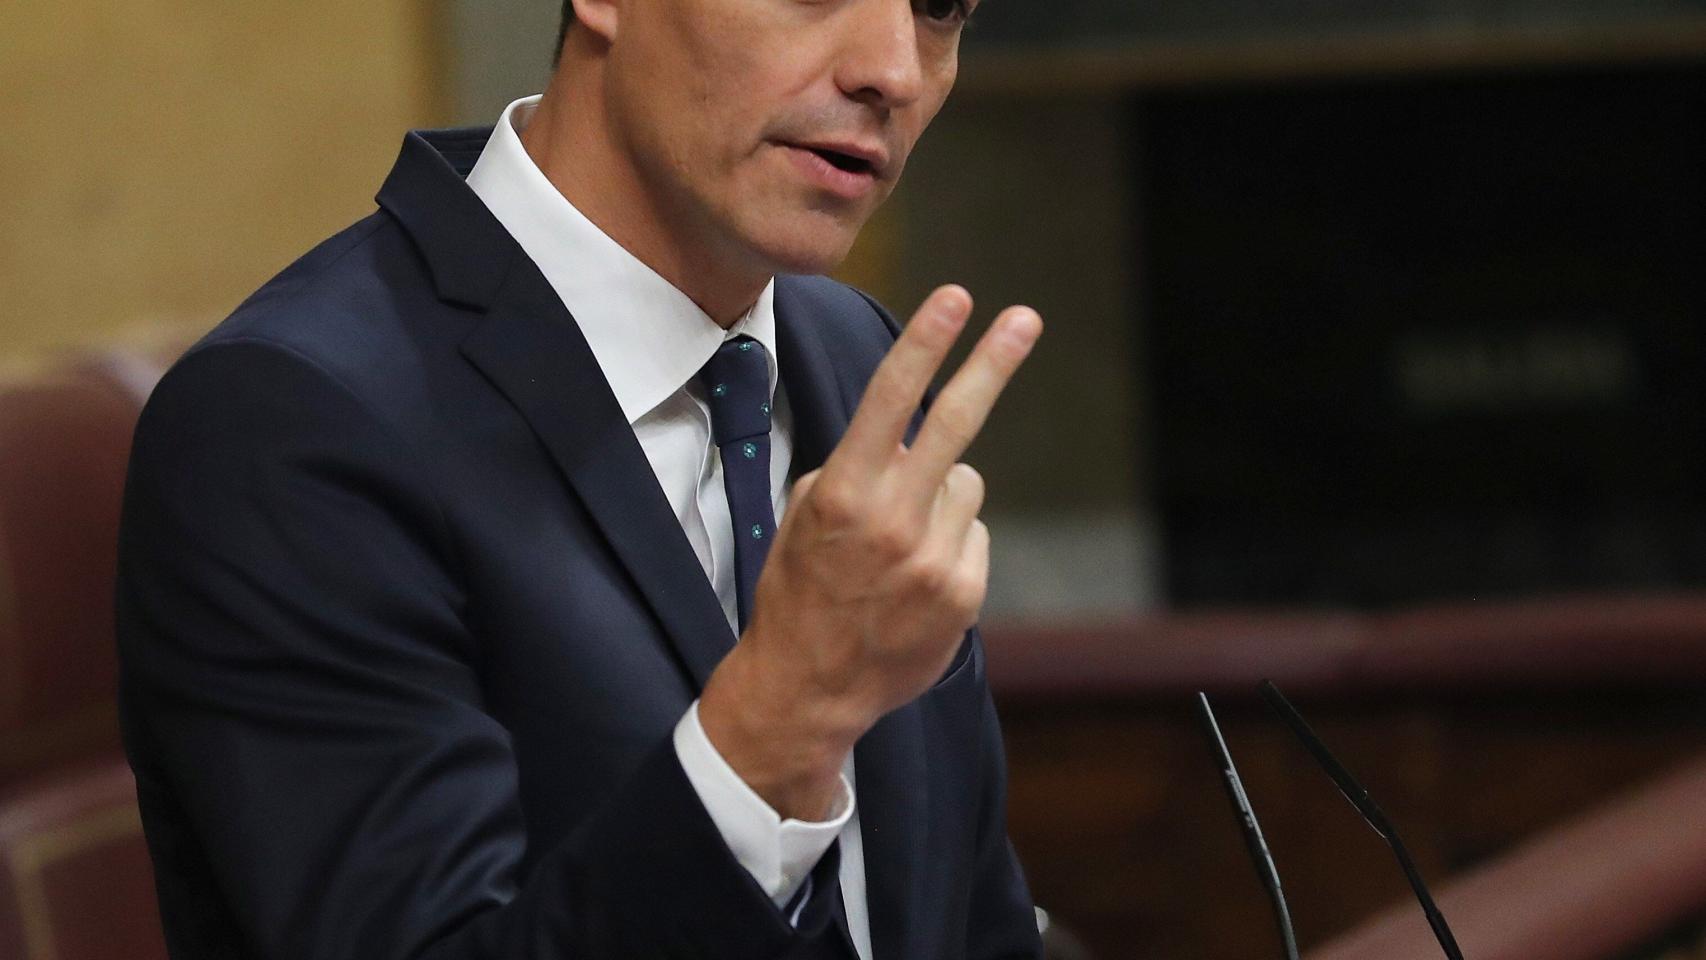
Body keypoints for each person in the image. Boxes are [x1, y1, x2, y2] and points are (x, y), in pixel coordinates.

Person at [115, 0, 1045, 957]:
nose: (893, 69)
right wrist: (783, 719)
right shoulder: (289, 420)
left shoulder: (858, 355)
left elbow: (967, 923)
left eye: (939, 8)